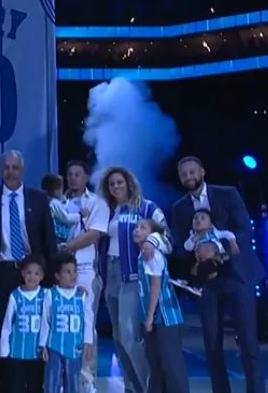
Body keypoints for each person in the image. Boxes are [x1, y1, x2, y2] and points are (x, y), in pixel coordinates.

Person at [172, 156, 266, 393]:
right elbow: (180, 247)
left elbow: (244, 230)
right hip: (207, 283)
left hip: (237, 276)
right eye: (184, 174)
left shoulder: (227, 194)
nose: (189, 177)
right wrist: (195, 261)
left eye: (192, 172)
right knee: (212, 347)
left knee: (248, 344)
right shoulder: (179, 208)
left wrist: (216, 250)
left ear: (202, 172)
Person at [0, 149, 58, 393]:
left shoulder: (39, 199)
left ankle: (34, 387)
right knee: (3, 333)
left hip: (34, 275)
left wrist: (51, 279)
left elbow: (49, 241)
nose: (10, 172)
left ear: (22, 170)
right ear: (1, 170)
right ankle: (5, 387)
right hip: (1, 275)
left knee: (36, 332)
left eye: (15, 167)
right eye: (6, 167)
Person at [97, 166, 168, 393]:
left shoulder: (147, 207)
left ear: (129, 183)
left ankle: (151, 387)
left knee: (129, 336)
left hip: (133, 276)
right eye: (111, 184)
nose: (116, 186)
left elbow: (167, 236)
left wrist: (152, 241)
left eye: (119, 182)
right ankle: (131, 387)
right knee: (118, 338)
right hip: (109, 274)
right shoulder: (107, 210)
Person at [58, 160, 109, 393]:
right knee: (62, 322)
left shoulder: (97, 202)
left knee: (86, 323)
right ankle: (62, 378)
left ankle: (87, 379)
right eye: (70, 174)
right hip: (60, 271)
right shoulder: (59, 203)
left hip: (86, 270)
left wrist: (67, 247)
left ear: (86, 177)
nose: (73, 178)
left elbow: (94, 234)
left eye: (77, 174)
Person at [133, 219, 189, 393]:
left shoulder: (153, 255)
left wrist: (150, 316)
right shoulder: (141, 255)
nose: (137, 230)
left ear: (152, 235)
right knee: (156, 365)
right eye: (136, 227)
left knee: (172, 366)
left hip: (165, 317)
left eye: (142, 227)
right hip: (154, 317)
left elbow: (156, 286)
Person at [39, 253, 94, 393]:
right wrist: (42, 344)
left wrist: (88, 342)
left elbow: (88, 320)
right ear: (57, 276)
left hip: (75, 348)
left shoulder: (82, 295)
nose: (73, 275)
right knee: (52, 383)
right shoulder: (50, 295)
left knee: (73, 383)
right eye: (68, 272)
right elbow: (45, 321)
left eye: (75, 271)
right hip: (54, 347)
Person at [0, 255, 47, 393]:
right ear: (22, 273)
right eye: (28, 272)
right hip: (17, 353)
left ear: (42, 276)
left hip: (36, 354)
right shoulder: (15, 296)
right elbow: (7, 325)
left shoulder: (46, 295)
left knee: (36, 387)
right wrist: (4, 351)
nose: (32, 277)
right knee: (16, 387)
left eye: (36, 273)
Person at [184, 208, 239, 283]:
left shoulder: (215, 233)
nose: (198, 220)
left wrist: (233, 243)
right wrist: (194, 238)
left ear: (210, 224)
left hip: (216, 256)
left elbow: (227, 234)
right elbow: (187, 247)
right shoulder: (193, 236)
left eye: (202, 218)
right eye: (195, 218)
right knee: (201, 268)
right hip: (201, 260)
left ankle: (214, 272)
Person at [41, 173, 84, 244]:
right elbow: (66, 218)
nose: (62, 192)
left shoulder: (45, 201)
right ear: (56, 190)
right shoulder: (54, 203)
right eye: (61, 189)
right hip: (58, 236)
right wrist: (80, 215)